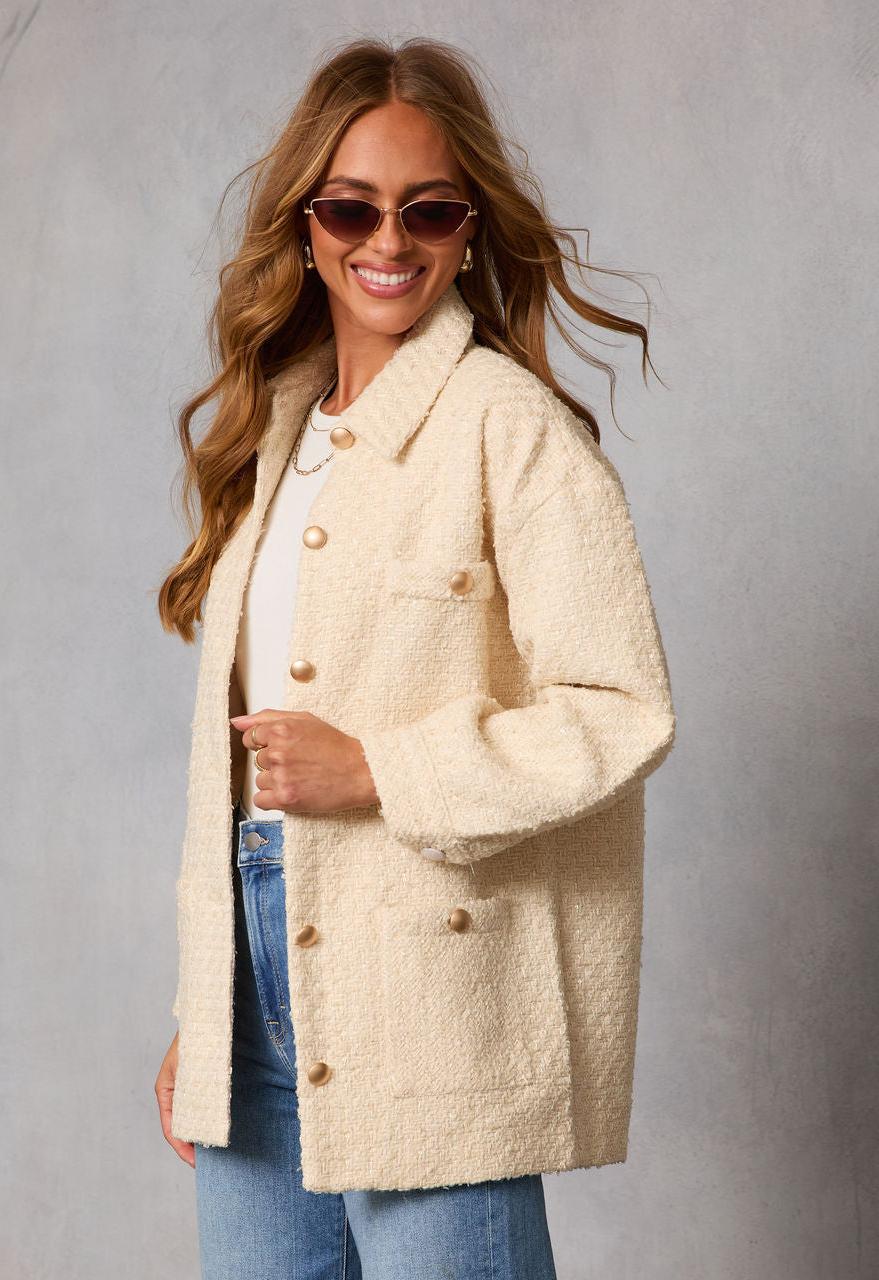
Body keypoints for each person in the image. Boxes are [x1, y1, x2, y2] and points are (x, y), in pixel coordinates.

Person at [154, 35, 676, 1280]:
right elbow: (230, 783)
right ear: (306, 225)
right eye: (352, 207)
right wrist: (201, 1015)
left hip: (435, 1001)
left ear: (470, 228)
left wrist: (381, 768)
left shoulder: (510, 427)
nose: (388, 240)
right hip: (254, 988)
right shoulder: (277, 432)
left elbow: (621, 707)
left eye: (428, 209)